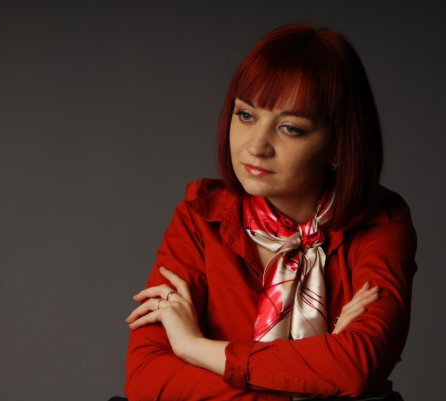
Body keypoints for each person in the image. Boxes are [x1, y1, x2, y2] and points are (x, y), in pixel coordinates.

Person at [124, 23, 417, 401]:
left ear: (338, 143)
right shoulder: (200, 218)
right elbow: (147, 378)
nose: (256, 146)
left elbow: (357, 365)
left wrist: (193, 347)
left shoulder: (381, 223)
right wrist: (318, 379)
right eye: (246, 115)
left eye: (290, 128)